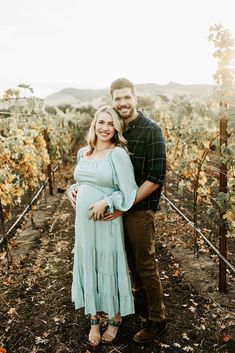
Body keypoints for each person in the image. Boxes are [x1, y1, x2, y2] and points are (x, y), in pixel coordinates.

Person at [102, 78, 167, 343]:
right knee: (129, 261)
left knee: (145, 263)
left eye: (126, 97)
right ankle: (142, 303)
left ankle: (157, 319)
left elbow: (155, 178)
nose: (122, 103)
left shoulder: (151, 130)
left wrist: (126, 203)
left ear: (135, 97)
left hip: (140, 210)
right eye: (117, 99)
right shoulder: (114, 129)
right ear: (112, 100)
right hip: (119, 207)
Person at [70, 105, 138, 346]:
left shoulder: (117, 154)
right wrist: (72, 191)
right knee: (89, 263)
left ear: (116, 128)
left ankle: (115, 318)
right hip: (84, 226)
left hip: (107, 222)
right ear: (94, 125)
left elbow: (129, 191)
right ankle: (93, 318)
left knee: (108, 264)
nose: (105, 128)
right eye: (101, 122)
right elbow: (80, 181)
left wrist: (107, 201)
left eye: (110, 124)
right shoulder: (83, 153)